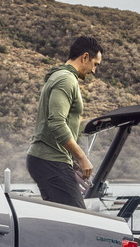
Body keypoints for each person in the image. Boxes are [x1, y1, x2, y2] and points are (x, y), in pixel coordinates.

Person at [25, 37, 101, 208]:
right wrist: (82, 157)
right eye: (95, 64)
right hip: (50, 160)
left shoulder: (61, 77)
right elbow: (57, 123)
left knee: (62, 221)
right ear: (85, 57)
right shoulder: (66, 80)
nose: (94, 71)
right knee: (78, 219)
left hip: (50, 160)